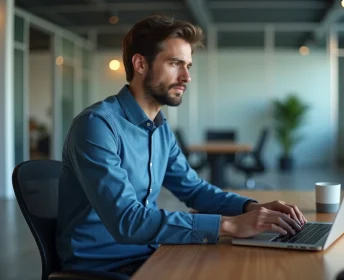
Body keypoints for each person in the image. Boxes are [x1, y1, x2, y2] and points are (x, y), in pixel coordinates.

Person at [56, 14, 307, 276]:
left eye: (188, 66)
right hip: (102, 267)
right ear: (140, 64)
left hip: (150, 253)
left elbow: (195, 190)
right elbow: (126, 221)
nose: (186, 77)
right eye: (175, 63)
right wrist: (231, 225)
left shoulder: (161, 129)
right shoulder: (97, 126)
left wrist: (252, 208)